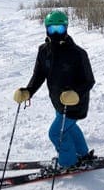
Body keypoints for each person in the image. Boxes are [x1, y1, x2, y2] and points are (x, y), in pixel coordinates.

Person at [14, 10, 96, 171]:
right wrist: (28, 91)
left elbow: (89, 81)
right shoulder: (44, 51)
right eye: (52, 29)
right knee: (68, 127)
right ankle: (83, 154)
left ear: (66, 29)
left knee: (56, 133)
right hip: (58, 102)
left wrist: (75, 93)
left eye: (60, 29)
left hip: (75, 103)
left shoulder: (78, 54)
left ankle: (67, 162)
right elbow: (39, 75)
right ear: (46, 29)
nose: (56, 33)